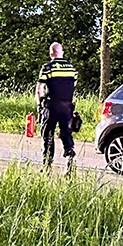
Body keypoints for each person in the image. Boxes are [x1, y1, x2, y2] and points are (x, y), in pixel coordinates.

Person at [36, 42, 79, 170]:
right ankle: (69, 156)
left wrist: (39, 105)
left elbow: (40, 88)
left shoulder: (48, 67)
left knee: (48, 134)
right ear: (62, 53)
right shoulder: (72, 68)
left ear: (51, 54)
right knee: (66, 133)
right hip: (67, 107)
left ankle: (47, 164)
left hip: (52, 106)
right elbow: (74, 85)